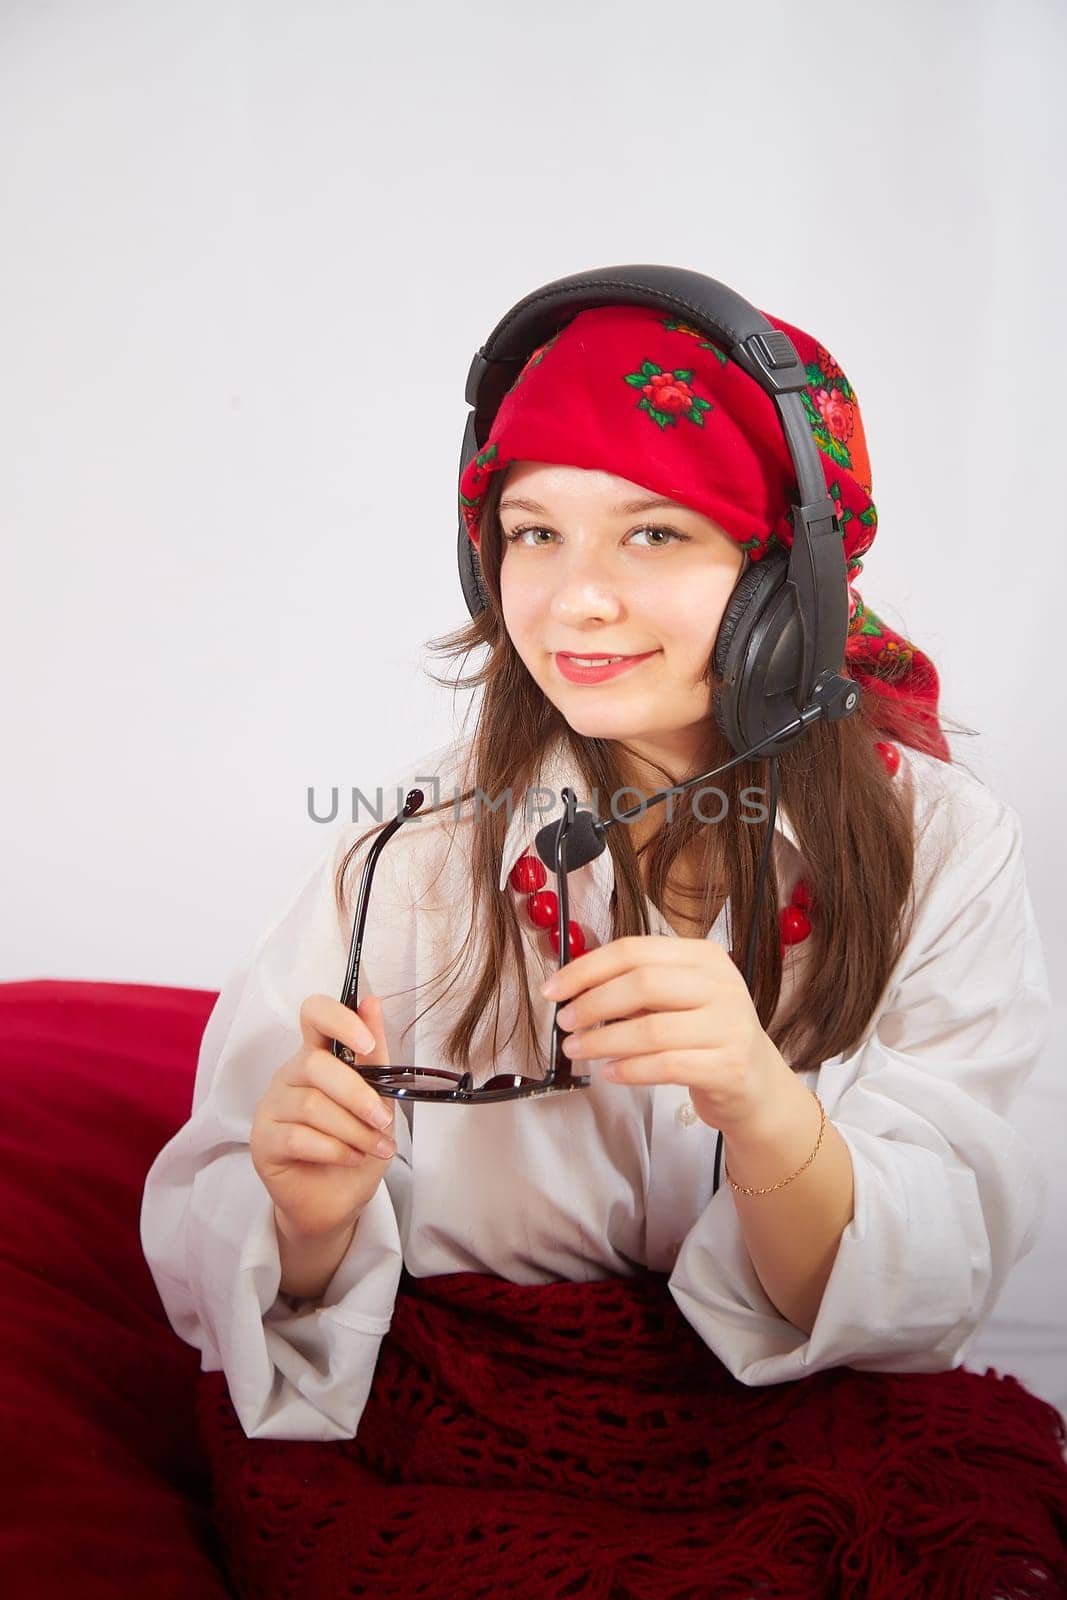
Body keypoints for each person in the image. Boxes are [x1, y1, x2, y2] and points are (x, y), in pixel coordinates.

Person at [140, 298, 1050, 1461]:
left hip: (799, 1431)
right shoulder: (408, 849)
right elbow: (226, 1227)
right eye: (532, 534)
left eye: (654, 535)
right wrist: (310, 1218)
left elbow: (933, 1277)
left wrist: (764, 1109)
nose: (575, 600)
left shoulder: (945, 845)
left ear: (789, 579)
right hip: (458, 1420)